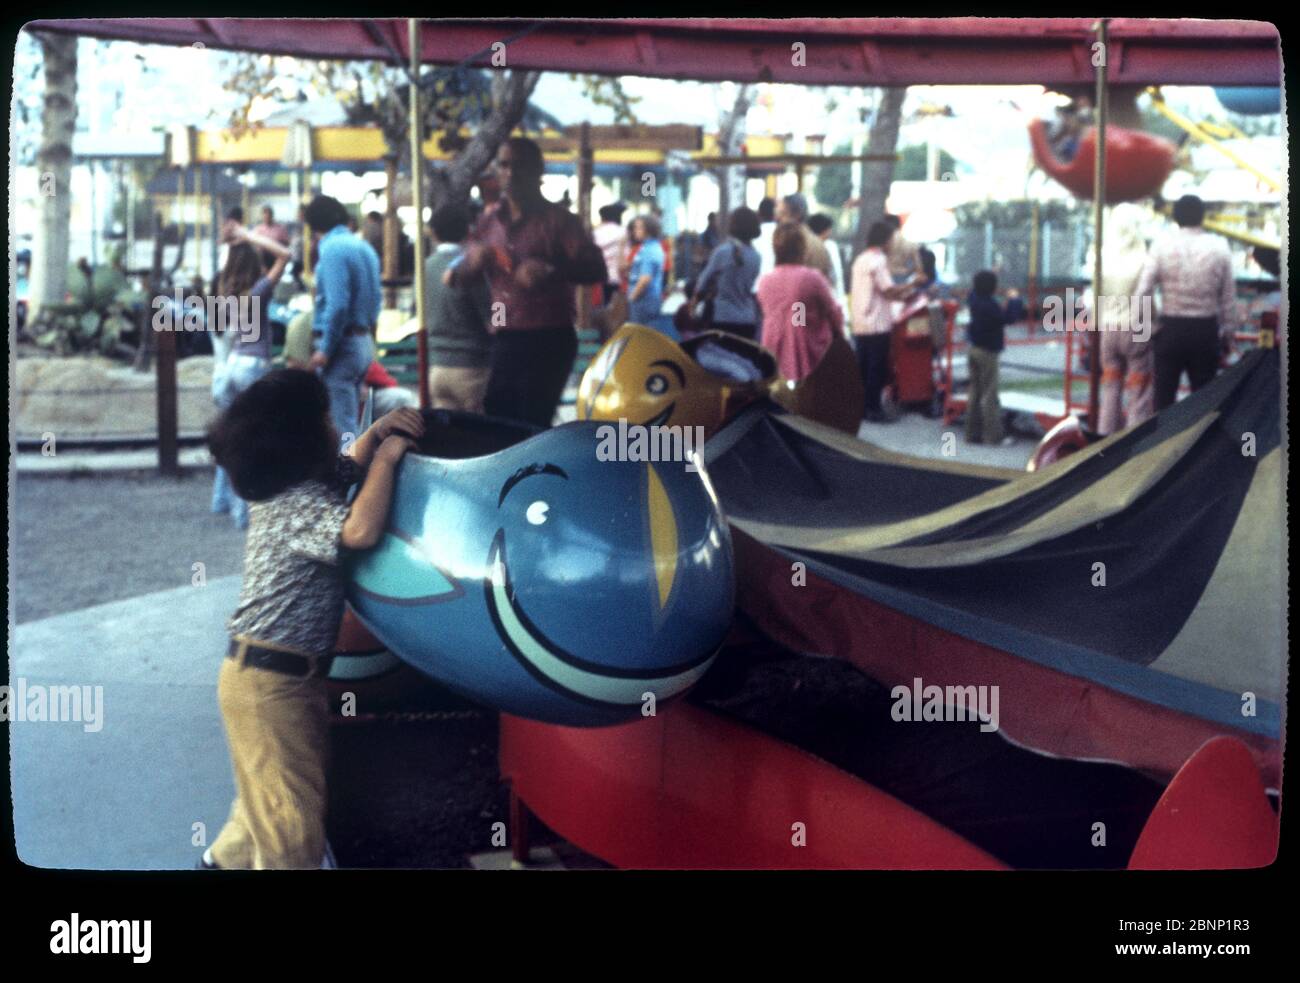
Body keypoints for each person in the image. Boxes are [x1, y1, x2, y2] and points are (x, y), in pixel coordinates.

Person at [202, 369, 423, 869]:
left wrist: (376, 435)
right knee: (291, 832)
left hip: (274, 678)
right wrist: (389, 458)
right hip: (268, 683)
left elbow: (346, 469)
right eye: (325, 418)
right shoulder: (293, 504)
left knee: (268, 805)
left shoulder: (298, 485)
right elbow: (361, 530)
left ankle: (216, 864)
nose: (333, 426)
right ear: (299, 436)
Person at [447, 136, 606, 428]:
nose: (511, 173)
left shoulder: (560, 221)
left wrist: (551, 270)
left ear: (538, 171)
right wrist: (473, 264)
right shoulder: (488, 223)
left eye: (520, 166)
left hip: (550, 337)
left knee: (533, 423)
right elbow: (459, 278)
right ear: (496, 172)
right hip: (504, 336)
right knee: (497, 420)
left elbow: (597, 270)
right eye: (505, 165)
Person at [210, 224, 292, 529]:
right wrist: (249, 236)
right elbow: (286, 255)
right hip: (254, 366)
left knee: (230, 434)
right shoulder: (259, 291)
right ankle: (245, 513)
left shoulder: (225, 290)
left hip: (231, 364)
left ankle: (221, 500)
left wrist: (235, 244)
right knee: (254, 439)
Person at [1134, 194, 1236, 411]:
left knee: (1163, 401)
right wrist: (1229, 336)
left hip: (1169, 329)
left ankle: (1163, 444)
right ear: (1202, 217)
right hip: (1205, 331)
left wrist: (1146, 331)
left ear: (1176, 217)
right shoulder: (1220, 247)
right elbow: (1228, 299)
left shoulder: (1161, 246)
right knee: (1204, 403)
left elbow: (1142, 291)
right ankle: (1200, 444)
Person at [305, 195, 381, 444]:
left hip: (341, 347)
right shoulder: (364, 248)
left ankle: (350, 478)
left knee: (342, 427)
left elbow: (337, 306)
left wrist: (326, 349)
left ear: (314, 225)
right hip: (362, 341)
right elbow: (375, 299)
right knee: (351, 421)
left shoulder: (332, 250)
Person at [1089, 204, 1154, 435]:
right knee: (1140, 389)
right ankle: (1135, 437)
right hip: (1136, 327)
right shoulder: (1143, 258)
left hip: (1108, 328)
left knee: (1110, 387)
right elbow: (1147, 298)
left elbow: (1094, 298)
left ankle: (1105, 435)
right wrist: (1151, 327)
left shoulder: (1102, 257)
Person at [424, 203, 493, 413]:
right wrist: (503, 311)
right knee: (479, 439)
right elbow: (493, 317)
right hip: (472, 368)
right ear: (467, 230)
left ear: (433, 233)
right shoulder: (472, 266)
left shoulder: (425, 266)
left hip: (437, 368)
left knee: (451, 439)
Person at [850, 220, 920, 422]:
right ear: (886, 240)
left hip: (860, 320)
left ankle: (861, 407)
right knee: (876, 368)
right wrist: (912, 284)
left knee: (862, 367)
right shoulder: (878, 260)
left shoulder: (861, 259)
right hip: (877, 322)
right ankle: (873, 408)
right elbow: (888, 289)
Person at [756, 224, 844, 382]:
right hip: (806, 353)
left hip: (773, 349)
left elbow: (789, 312)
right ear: (802, 247)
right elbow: (830, 312)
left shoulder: (765, 281)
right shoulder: (810, 278)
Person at [690, 206, 762, 340]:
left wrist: (694, 303)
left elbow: (702, 283)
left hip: (722, 318)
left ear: (733, 225)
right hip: (748, 319)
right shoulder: (756, 256)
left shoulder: (722, 252)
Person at [966, 270, 1013, 446]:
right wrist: (1014, 300)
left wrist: (989, 274)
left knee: (975, 392)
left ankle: (972, 433)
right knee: (990, 394)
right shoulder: (990, 305)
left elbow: (976, 287)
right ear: (992, 287)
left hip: (974, 349)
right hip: (988, 353)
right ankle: (993, 436)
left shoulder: (973, 299)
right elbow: (1008, 318)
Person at [775, 193, 833, 283]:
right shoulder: (818, 243)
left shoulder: (793, 242)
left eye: (783, 214)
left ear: (797, 214)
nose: (778, 218)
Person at [627, 213, 667, 327]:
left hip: (644, 301)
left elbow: (645, 278)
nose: (635, 231)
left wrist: (632, 298)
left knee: (641, 336)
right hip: (648, 300)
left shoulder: (649, 250)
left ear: (648, 229)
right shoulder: (651, 247)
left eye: (639, 227)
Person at [807, 213, 848, 319]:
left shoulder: (829, 246)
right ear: (825, 230)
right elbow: (835, 277)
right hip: (827, 299)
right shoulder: (829, 247)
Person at [593, 202, 628, 306]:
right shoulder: (623, 232)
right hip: (618, 277)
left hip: (599, 277)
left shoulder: (595, 233)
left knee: (602, 308)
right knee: (617, 310)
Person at [753, 197, 778, 282]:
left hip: (755, 285)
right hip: (776, 284)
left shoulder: (752, 234)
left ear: (759, 213)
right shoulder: (782, 233)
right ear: (776, 213)